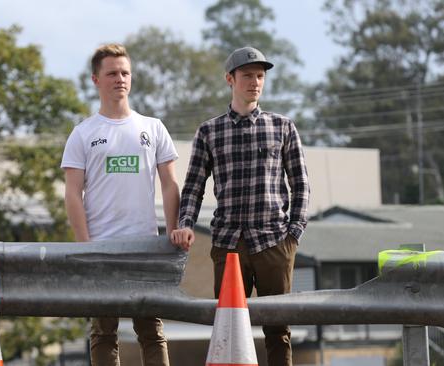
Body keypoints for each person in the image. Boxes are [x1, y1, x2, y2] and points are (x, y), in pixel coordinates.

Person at [171, 46, 310, 366]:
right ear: (229, 79)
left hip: (274, 241)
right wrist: (186, 223)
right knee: (229, 328)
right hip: (228, 244)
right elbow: (193, 186)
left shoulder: (283, 127)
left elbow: (300, 183)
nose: (255, 82)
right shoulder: (209, 131)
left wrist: (294, 235)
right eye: (248, 75)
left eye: (260, 76)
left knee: (279, 329)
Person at [61, 43, 179, 366]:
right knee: (103, 332)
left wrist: (173, 234)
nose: (120, 79)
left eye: (125, 72)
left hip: (145, 248)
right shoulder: (83, 133)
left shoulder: (153, 127)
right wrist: (84, 246)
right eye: (112, 73)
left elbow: (170, 185)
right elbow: (73, 193)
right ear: (96, 80)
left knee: (151, 330)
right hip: (101, 249)